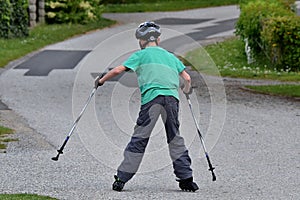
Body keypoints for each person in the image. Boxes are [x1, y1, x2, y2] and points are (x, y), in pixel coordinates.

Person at [95, 21, 198, 192]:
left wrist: (100, 81)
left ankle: (122, 178)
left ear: (142, 41)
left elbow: (117, 70)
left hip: (152, 100)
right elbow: (187, 79)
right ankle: (187, 179)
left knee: (140, 138)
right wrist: (187, 91)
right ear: (158, 39)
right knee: (174, 137)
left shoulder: (140, 55)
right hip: (171, 100)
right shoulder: (170, 56)